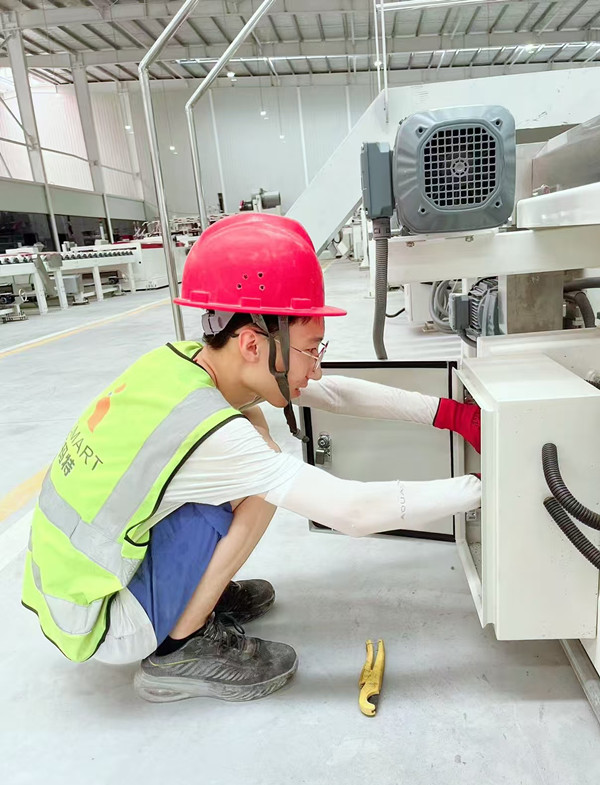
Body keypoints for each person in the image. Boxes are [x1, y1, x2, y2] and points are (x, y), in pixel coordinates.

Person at [23, 213, 481, 704]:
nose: (317, 366)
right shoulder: (212, 432)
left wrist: (451, 413)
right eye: (311, 350)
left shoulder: (185, 364)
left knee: (254, 425)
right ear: (250, 343)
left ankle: (196, 595)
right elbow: (354, 511)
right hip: (103, 619)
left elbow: (333, 393)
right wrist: (483, 485)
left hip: (73, 587)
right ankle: (180, 647)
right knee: (264, 471)